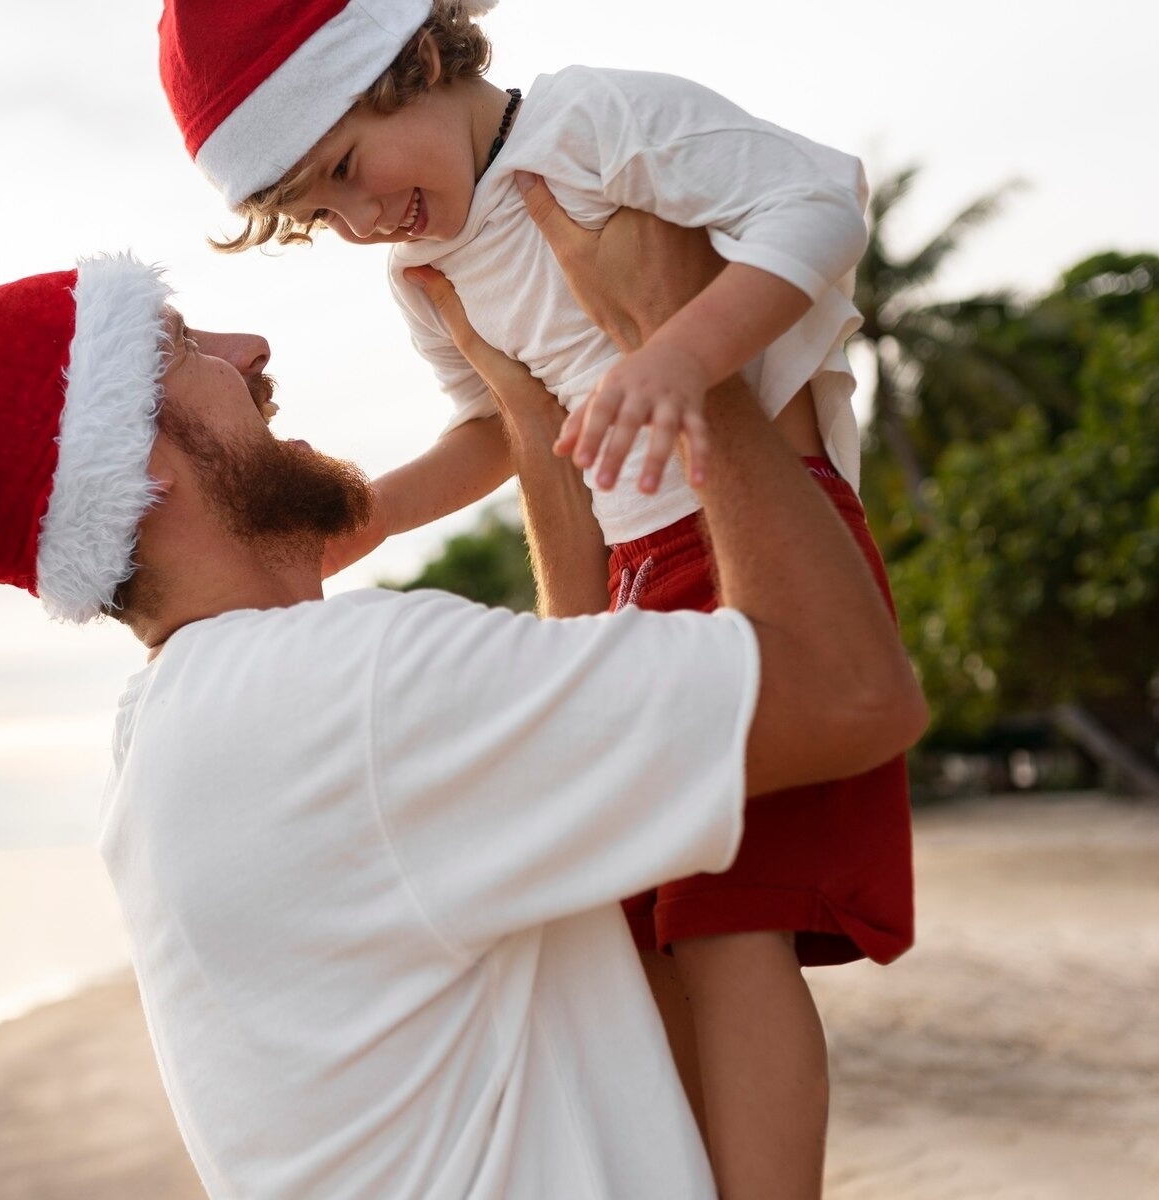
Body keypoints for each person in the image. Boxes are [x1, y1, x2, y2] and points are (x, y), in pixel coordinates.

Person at [0, 197, 926, 1198]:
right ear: (133, 467)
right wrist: (690, 340)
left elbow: (548, 746)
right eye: (178, 345)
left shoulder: (191, 730)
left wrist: (531, 419)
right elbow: (848, 694)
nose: (250, 349)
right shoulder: (332, 697)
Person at [158, 3, 911, 1190]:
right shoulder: (425, 272)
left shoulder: (595, 123)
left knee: (732, 931)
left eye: (350, 168)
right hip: (636, 576)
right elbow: (498, 432)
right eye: (318, 212)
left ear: (413, 59)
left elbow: (822, 202)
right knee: (640, 927)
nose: (362, 220)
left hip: (755, 536)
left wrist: (676, 349)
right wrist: (369, 518)